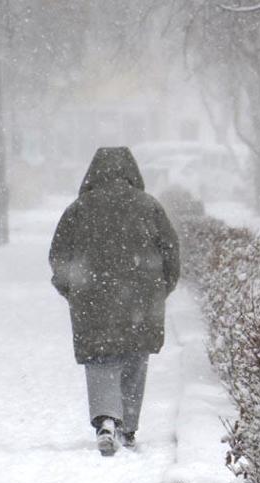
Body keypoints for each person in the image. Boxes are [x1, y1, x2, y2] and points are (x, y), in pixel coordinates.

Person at [49, 147, 180, 456]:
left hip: (92, 299)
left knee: (100, 360)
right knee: (135, 358)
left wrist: (71, 289)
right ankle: (128, 427)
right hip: (141, 299)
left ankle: (107, 420)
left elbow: (59, 256)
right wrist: (161, 288)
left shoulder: (78, 209)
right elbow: (171, 252)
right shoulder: (149, 207)